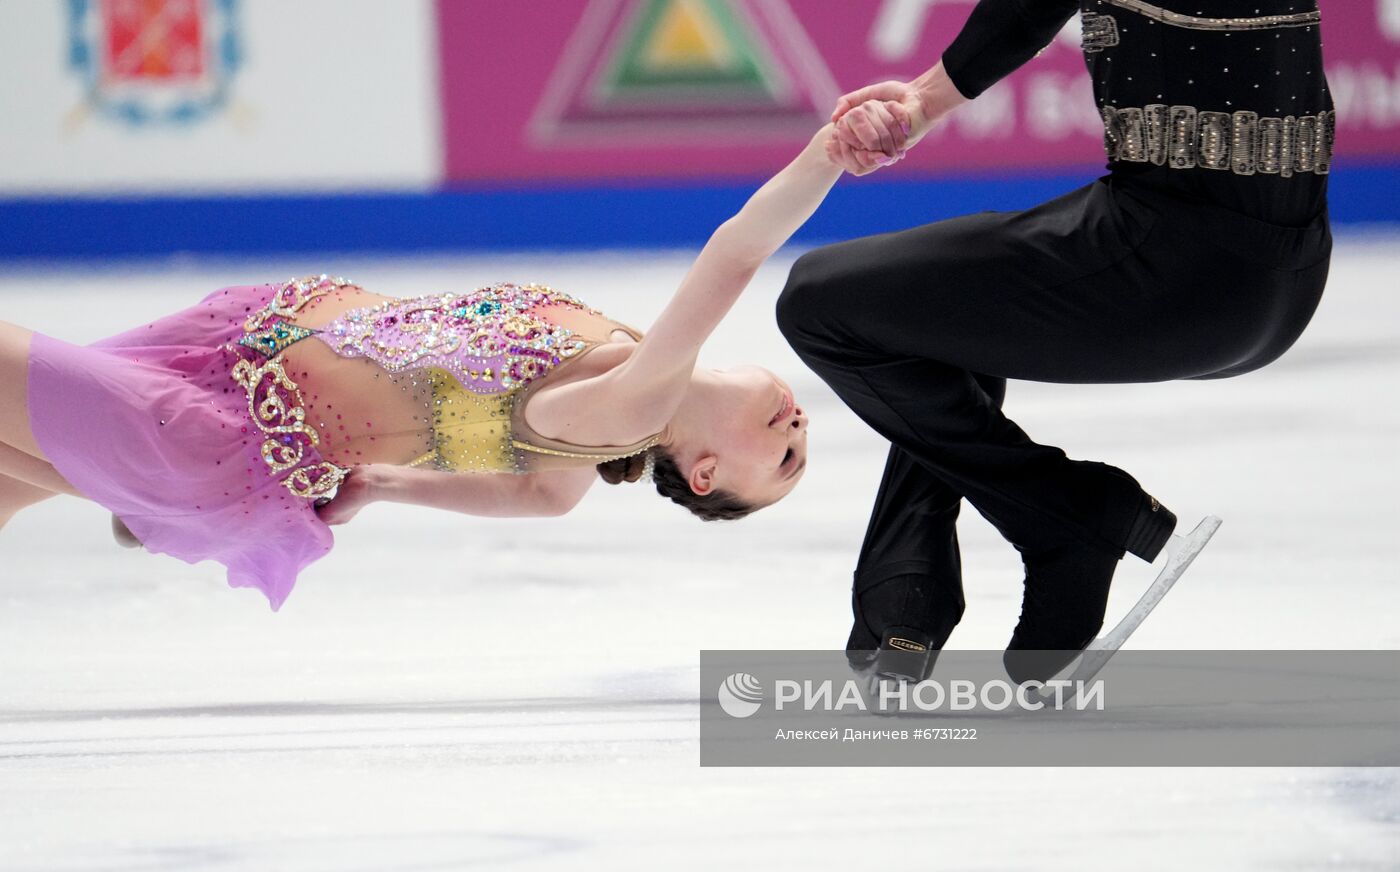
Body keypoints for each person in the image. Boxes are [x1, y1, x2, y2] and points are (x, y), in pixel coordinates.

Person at [0, 100, 908, 611]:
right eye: (802, 438)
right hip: (227, 347)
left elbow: (737, 250)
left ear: (704, 473)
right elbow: (538, 496)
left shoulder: (635, 401)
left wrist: (828, 153)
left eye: (784, 459)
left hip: (215, 428)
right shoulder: (605, 408)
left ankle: (144, 489)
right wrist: (387, 485)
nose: (798, 427)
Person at [777, 0, 1333, 683]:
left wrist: (920, 104)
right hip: (1290, 279)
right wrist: (920, 103)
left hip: (1176, 268)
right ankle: (909, 596)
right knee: (935, 305)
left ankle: (1064, 519)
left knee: (820, 303)